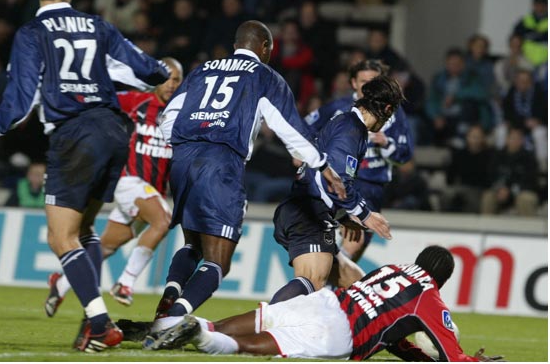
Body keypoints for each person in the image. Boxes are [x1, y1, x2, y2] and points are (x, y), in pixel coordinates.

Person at [0, 0, 170, 353]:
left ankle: (100, 325)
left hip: (75, 136)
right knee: (84, 232)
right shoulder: (98, 26)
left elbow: (20, 100)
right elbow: (153, 71)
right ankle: (91, 325)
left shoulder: (32, 33)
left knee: (59, 237)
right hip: (114, 132)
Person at [152, 20, 347, 331]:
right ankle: (172, 318)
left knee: (193, 242)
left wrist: (184, 147)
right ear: (265, 48)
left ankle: (171, 295)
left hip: (184, 158)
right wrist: (321, 163)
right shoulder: (264, 76)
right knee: (218, 260)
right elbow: (289, 128)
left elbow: (169, 116)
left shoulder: (202, 70)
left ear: (235, 45)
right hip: (221, 163)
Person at [145, 245, 504, 362]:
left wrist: (414, 356)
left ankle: (186, 326)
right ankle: (201, 337)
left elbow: (391, 334)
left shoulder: (392, 269)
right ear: (443, 278)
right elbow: (453, 357)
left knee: (248, 322)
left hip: (326, 301)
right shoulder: (430, 298)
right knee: (254, 347)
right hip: (340, 332)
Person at [44, 58, 183, 316]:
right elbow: (100, 99)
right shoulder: (136, 101)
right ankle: (125, 283)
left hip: (152, 192)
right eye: (166, 78)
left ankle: (60, 283)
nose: (171, 84)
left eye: (176, 79)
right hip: (128, 180)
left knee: (106, 247)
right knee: (163, 220)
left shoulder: (182, 114)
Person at [270, 75, 403, 304]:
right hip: (309, 213)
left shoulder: (349, 125)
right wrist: (365, 214)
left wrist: (344, 216)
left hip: (305, 209)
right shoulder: (351, 129)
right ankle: (260, 322)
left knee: (357, 285)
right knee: (311, 282)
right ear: (387, 109)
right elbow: (333, 182)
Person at [304, 60, 413, 262]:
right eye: (364, 81)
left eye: (374, 81)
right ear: (354, 83)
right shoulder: (339, 109)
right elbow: (304, 128)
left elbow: (406, 154)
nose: (369, 86)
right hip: (340, 182)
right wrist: (304, 154)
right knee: (353, 243)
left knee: (355, 249)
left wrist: (386, 144)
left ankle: (326, 277)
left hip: (372, 185)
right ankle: (323, 278)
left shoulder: (393, 113)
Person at [513, 0, 548, 67]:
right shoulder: (525, 21)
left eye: (543, 4)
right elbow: (514, 40)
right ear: (534, 5)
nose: (540, 7)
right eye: (538, 4)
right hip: (525, 61)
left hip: (546, 62)